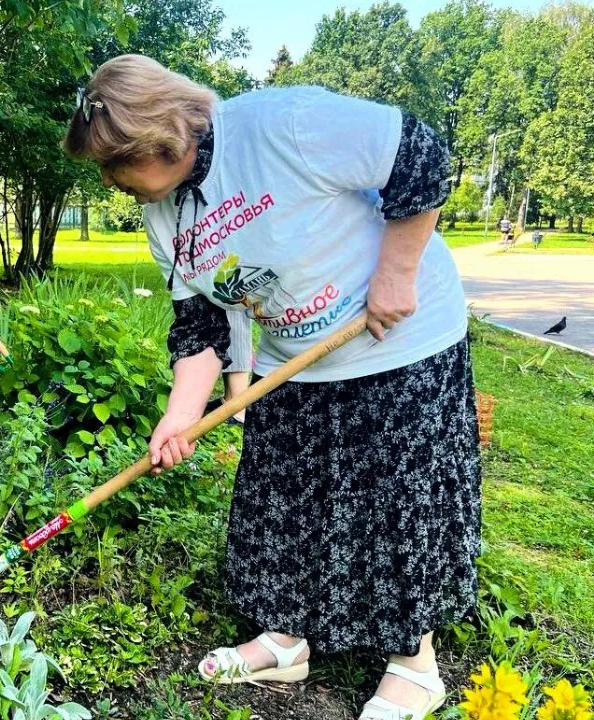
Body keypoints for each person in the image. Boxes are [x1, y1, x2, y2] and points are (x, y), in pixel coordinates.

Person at [64, 56, 481, 720]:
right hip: (294, 358)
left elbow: (421, 154)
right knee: (283, 497)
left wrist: (397, 273)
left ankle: (414, 663)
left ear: (165, 135)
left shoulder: (283, 125)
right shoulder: (162, 214)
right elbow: (199, 323)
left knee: (400, 500)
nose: (113, 183)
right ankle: (287, 643)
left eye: (118, 166)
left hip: (399, 339)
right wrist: (179, 415)